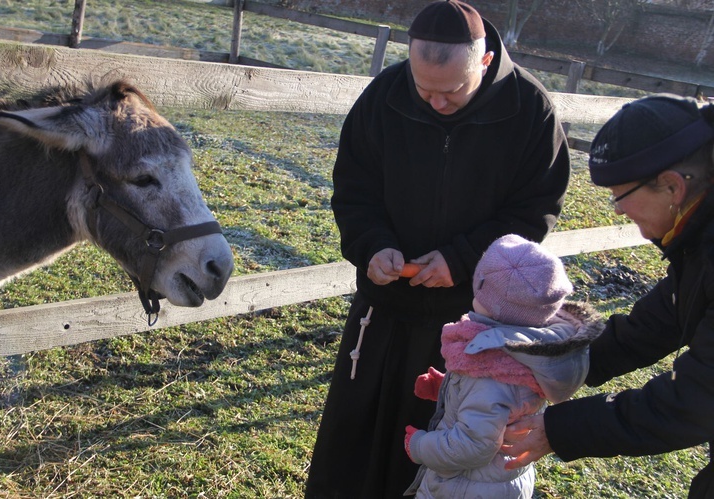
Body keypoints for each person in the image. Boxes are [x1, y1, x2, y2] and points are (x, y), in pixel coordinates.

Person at [305, 1, 571, 496]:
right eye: (422, 88)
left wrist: (461, 260)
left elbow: (535, 212)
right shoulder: (385, 94)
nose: (435, 103)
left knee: (446, 438)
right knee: (357, 441)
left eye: (450, 92)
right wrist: (373, 247)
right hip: (383, 312)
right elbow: (354, 190)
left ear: (485, 62)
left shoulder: (530, 110)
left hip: (473, 319)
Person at [501, 94, 714, 498]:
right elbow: (644, 331)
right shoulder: (697, 237)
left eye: (621, 196)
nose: (616, 212)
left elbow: (697, 399)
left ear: (672, 186)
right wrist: (526, 365)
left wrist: (558, 430)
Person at [403, 234, 603, 498]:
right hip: (498, 481)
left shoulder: (490, 369)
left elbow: (473, 445)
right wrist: (449, 387)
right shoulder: (528, 349)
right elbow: (500, 406)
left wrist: (419, 445)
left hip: (466, 487)